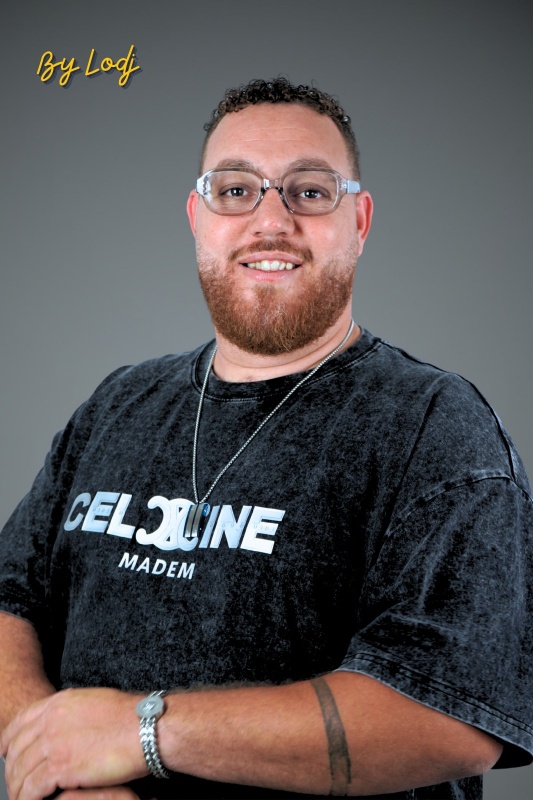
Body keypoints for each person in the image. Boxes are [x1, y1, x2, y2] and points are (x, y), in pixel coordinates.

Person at [0, 77, 532, 800]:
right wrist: (59, 764)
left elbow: (449, 716)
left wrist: (141, 733)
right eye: (235, 191)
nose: (271, 220)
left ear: (359, 221)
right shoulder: (118, 404)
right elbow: (12, 602)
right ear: (198, 217)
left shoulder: (434, 425)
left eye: (309, 192)